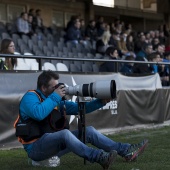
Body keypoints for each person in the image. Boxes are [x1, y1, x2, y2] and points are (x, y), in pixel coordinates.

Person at [14, 70, 148, 169]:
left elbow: (80, 108)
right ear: (43, 87)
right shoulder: (30, 97)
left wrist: (101, 102)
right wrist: (55, 97)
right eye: (54, 87)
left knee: (88, 131)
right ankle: (99, 157)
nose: (58, 89)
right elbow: (38, 113)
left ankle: (126, 151)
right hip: (36, 149)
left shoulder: (54, 100)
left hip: (53, 147)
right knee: (65, 134)